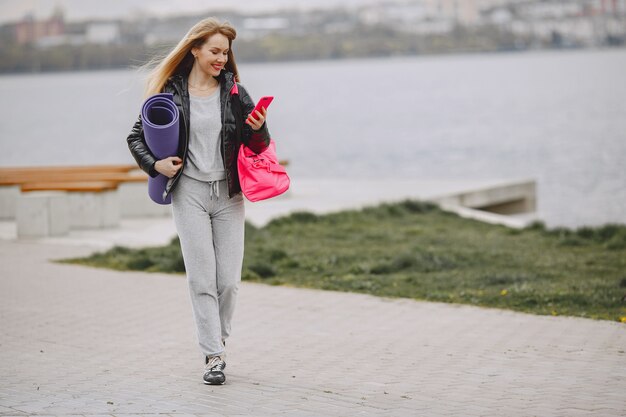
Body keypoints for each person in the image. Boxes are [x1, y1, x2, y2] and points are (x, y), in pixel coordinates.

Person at [126, 17, 271, 385]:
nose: (222, 58)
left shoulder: (235, 92)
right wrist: (155, 163)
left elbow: (259, 146)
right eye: (215, 51)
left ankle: (216, 337)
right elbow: (135, 137)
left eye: (226, 52)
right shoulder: (170, 93)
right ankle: (213, 355)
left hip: (228, 194)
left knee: (229, 282)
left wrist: (258, 128)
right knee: (201, 280)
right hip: (188, 192)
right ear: (195, 49)